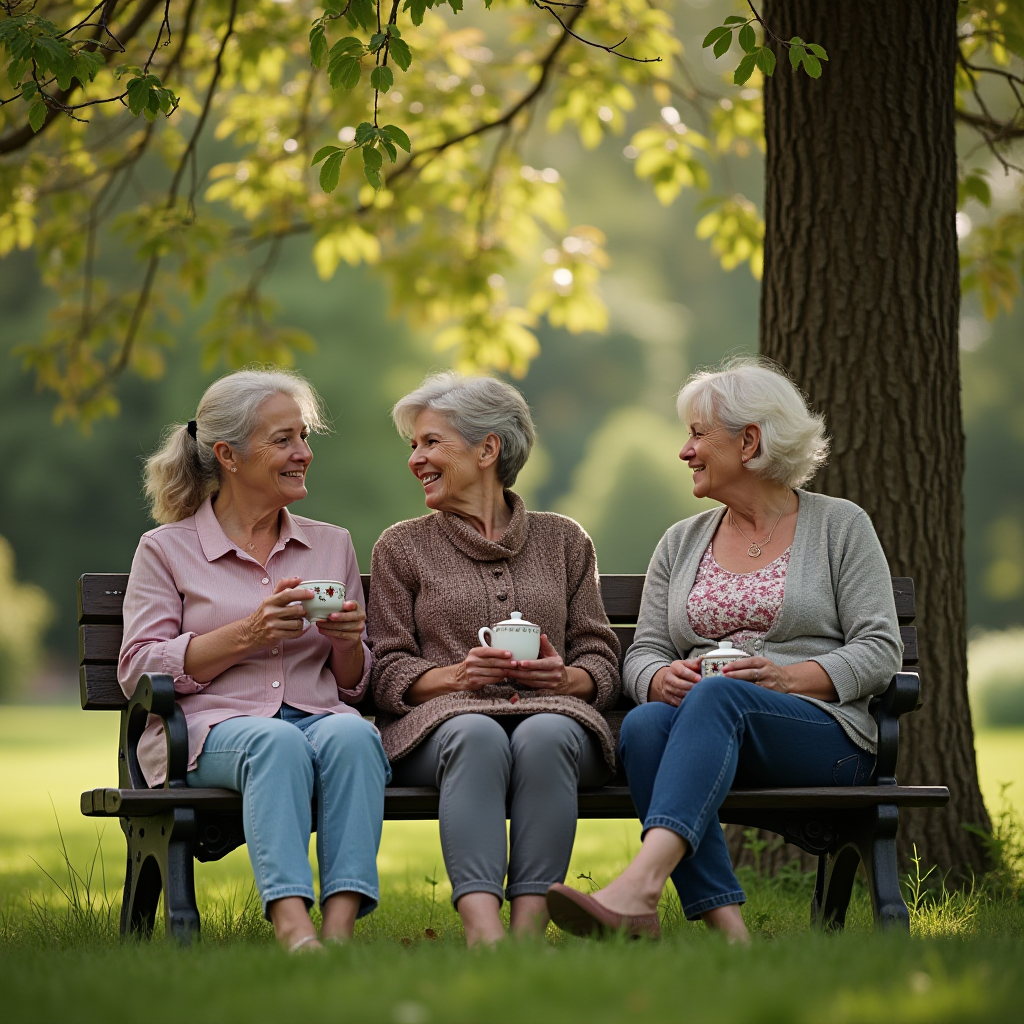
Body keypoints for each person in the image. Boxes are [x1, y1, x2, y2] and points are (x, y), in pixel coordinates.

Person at [545, 357, 903, 944]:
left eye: (697, 435)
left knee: (717, 697)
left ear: (751, 440)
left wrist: (789, 679)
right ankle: (731, 934)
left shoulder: (842, 526)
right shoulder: (681, 540)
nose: (684, 451)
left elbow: (881, 648)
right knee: (644, 727)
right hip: (707, 727)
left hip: (823, 738)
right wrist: (657, 680)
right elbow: (644, 651)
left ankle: (639, 886)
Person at [118, 368, 390, 952]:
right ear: (228, 455)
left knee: (355, 738)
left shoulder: (332, 543)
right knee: (277, 742)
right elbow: (137, 669)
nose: (304, 454)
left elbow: (353, 687)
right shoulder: (165, 550)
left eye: (304, 437)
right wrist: (247, 633)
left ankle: (338, 934)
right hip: (208, 729)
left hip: (317, 715)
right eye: (284, 440)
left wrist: (347, 642)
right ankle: (294, 929)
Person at [367, 372, 621, 946]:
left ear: (488, 448)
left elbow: (601, 656)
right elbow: (383, 668)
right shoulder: (401, 546)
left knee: (546, 734)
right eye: (414, 446)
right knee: (477, 733)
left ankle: (529, 934)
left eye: (431, 442)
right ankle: (484, 932)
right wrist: (454, 677)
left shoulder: (565, 540)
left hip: (558, 723)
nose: (416, 459)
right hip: (441, 730)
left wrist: (568, 678)